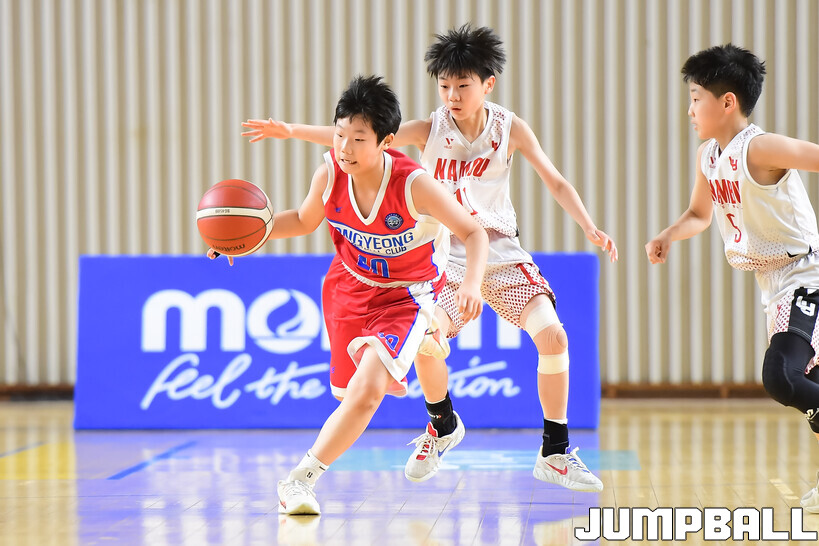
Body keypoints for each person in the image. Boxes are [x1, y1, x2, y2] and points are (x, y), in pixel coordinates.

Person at [242, 24, 617, 493]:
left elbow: (555, 180)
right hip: (446, 259)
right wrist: (291, 131)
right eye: (444, 86)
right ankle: (441, 425)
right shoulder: (427, 129)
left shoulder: (510, 129)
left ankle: (555, 451)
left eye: (462, 86)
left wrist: (588, 224)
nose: (452, 96)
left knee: (555, 337)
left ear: (488, 84)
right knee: (426, 339)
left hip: (499, 250)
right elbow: (358, 136)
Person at [213, 75, 489, 514]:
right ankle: (442, 410)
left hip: (407, 294)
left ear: (386, 141)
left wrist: (471, 284)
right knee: (354, 393)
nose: (345, 147)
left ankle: (298, 481)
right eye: (340, 134)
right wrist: (245, 239)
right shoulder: (329, 173)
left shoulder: (414, 185)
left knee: (368, 392)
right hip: (348, 286)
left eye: (359, 139)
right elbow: (302, 221)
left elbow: (474, 233)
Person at [645, 43, 819, 513]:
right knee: (810, 381)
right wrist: (668, 234)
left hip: (806, 275)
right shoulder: (708, 155)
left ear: (727, 101)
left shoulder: (760, 147)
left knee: (781, 376)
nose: (689, 109)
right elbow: (699, 214)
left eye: (696, 98)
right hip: (773, 285)